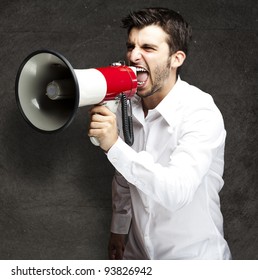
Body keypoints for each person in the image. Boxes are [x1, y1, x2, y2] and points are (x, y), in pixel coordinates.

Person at [88, 7, 231, 260]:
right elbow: (124, 176)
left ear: (177, 58)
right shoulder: (127, 107)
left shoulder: (200, 112)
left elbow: (177, 192)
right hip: (139, 256)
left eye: (148, 48)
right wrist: (119, 229)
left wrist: (114, 146)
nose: (134, 56)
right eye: (131, 46)